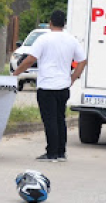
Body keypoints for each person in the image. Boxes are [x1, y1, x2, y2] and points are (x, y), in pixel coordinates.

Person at [13, 10, 87, 162]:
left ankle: (51, 152)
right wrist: (73, 77)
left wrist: (17, 72)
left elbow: (30, 59)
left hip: (47, 86)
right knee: (60, 119)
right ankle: (61, 152)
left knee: (50, 120)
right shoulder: (71, 40)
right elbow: (83, 60)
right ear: (64, 23)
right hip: (63, 86)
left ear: (50, 23)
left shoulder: (43, 39)